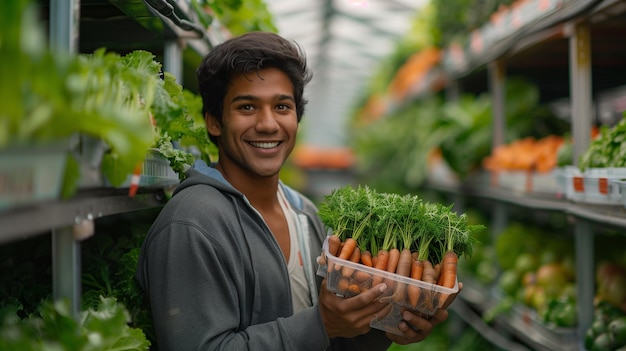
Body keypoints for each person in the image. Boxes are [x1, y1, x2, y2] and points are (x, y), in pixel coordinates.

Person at [136, 31, 458, 351]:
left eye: (282, 107)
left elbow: (330, 339)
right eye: (247, 107)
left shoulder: (303, 213)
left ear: (296, 118)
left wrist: (384, 326)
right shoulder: (193, 224)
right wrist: (322, 323)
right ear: (214, 122)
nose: (268, 124)